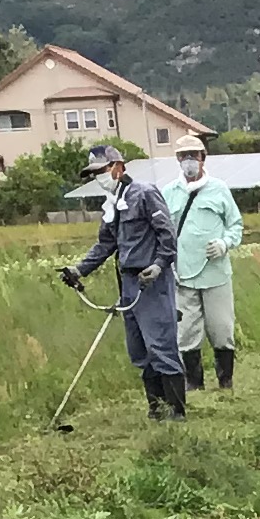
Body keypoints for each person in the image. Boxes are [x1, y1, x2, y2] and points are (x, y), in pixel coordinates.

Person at [62, 142, 186, 420]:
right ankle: (156, 410)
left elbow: (167, 235)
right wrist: (79, 270)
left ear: (117, 167)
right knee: (140, 350)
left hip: (152, 282)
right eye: (93, 173)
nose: (98, 177)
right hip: (128, 285)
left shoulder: (144, 194)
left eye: (101, 170)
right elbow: (105, 245)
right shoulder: (111, 205)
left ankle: (177, 413)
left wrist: (158, 265)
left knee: (161, 346)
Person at [166, 135, 245, 395]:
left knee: (221, 327)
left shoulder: (219, 189)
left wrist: (224, 243)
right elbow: (161, 231)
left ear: (203, 158)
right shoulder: (168, 193)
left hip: (216, 273)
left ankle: (225, 382)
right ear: (178, 159)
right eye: (184, 155)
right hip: (182, 274)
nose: (189, 161)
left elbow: (235, 224)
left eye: (194, 155)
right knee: (186, 331)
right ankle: (194, 384)